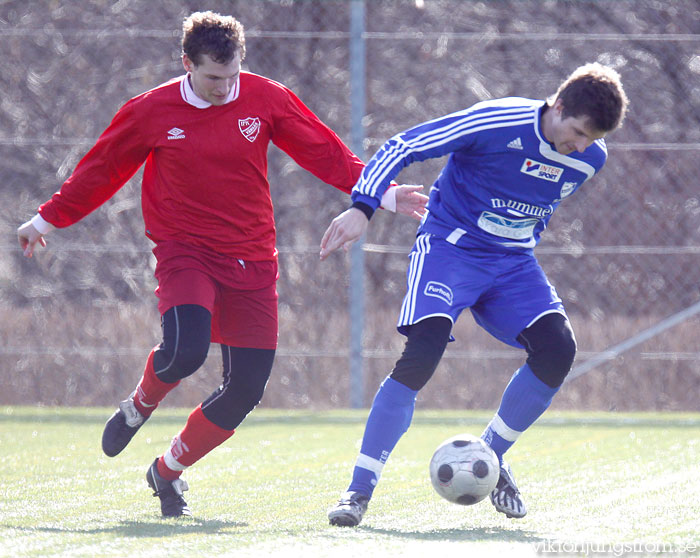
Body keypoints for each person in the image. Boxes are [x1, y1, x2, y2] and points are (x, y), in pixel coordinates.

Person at [17, 11, 426, 518]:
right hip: (184, 250)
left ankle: (165, 473)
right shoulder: (152, 111)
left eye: (233, 75)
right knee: (186, 350)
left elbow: (322, 149)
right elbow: (102, 168)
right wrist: (46, 220)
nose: (225, 87)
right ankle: (140, 404)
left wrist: (380, 193)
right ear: (185, 63)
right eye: (213, 77)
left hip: (253, 258)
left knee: (245, 392)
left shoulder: (264, 97)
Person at [320, 62, 629, 526]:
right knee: (422, 353)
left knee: (558, 349)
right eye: (579, 132)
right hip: (450, 250)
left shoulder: (591, 157)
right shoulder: (497, 122)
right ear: (558, 105)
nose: (582, 145)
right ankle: (357, 492)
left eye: (592, 139)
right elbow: (404, 145)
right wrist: (363, 207)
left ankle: (493, 457)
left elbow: (534, 205)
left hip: (513, 267)